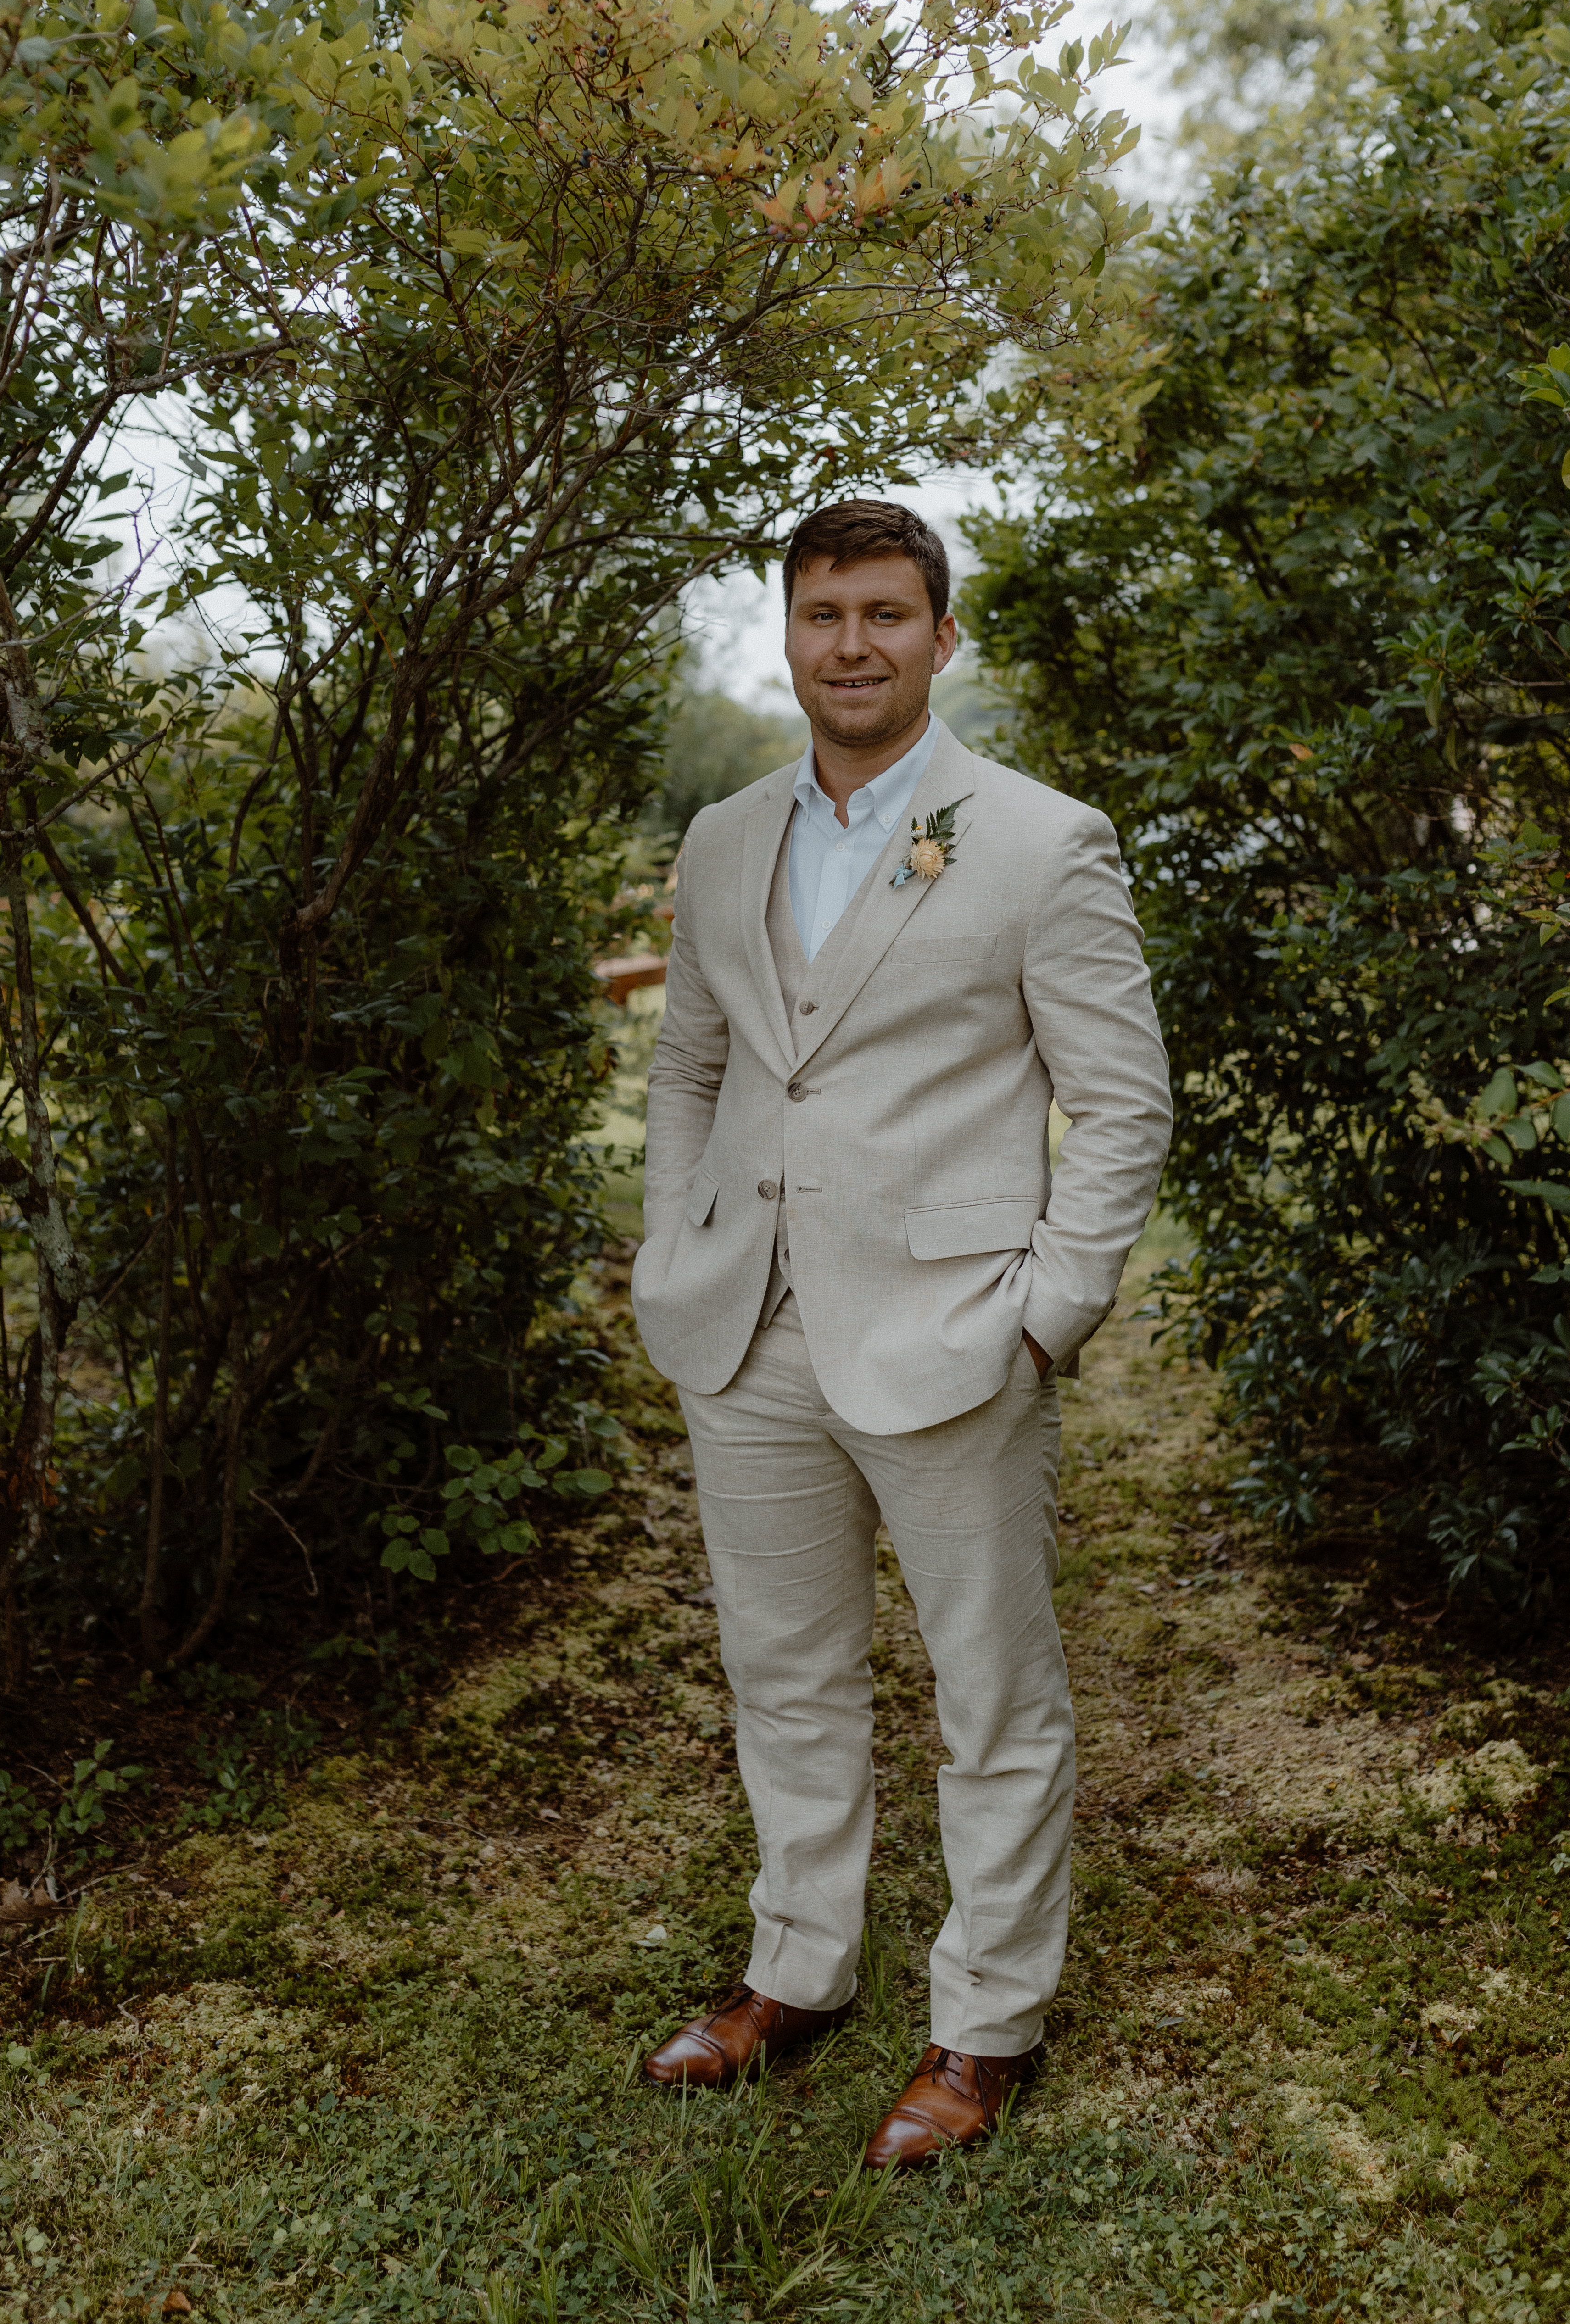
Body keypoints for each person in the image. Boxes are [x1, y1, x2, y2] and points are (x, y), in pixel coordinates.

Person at [630, 498, 1173, 2167]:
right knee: (782, 1673)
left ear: (943, 639)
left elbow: (1122, 1099)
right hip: (747, 1331)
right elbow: (695, 1068)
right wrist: (677, 1240)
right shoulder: (723, 837)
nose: (848, 643)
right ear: (784, 637)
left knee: (990, 1693)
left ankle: (984, 2021)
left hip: (955, 1330)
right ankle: (798, 1973)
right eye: (820, 614)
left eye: (883, 613)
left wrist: (1048, 1312)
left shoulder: (1034, 837)